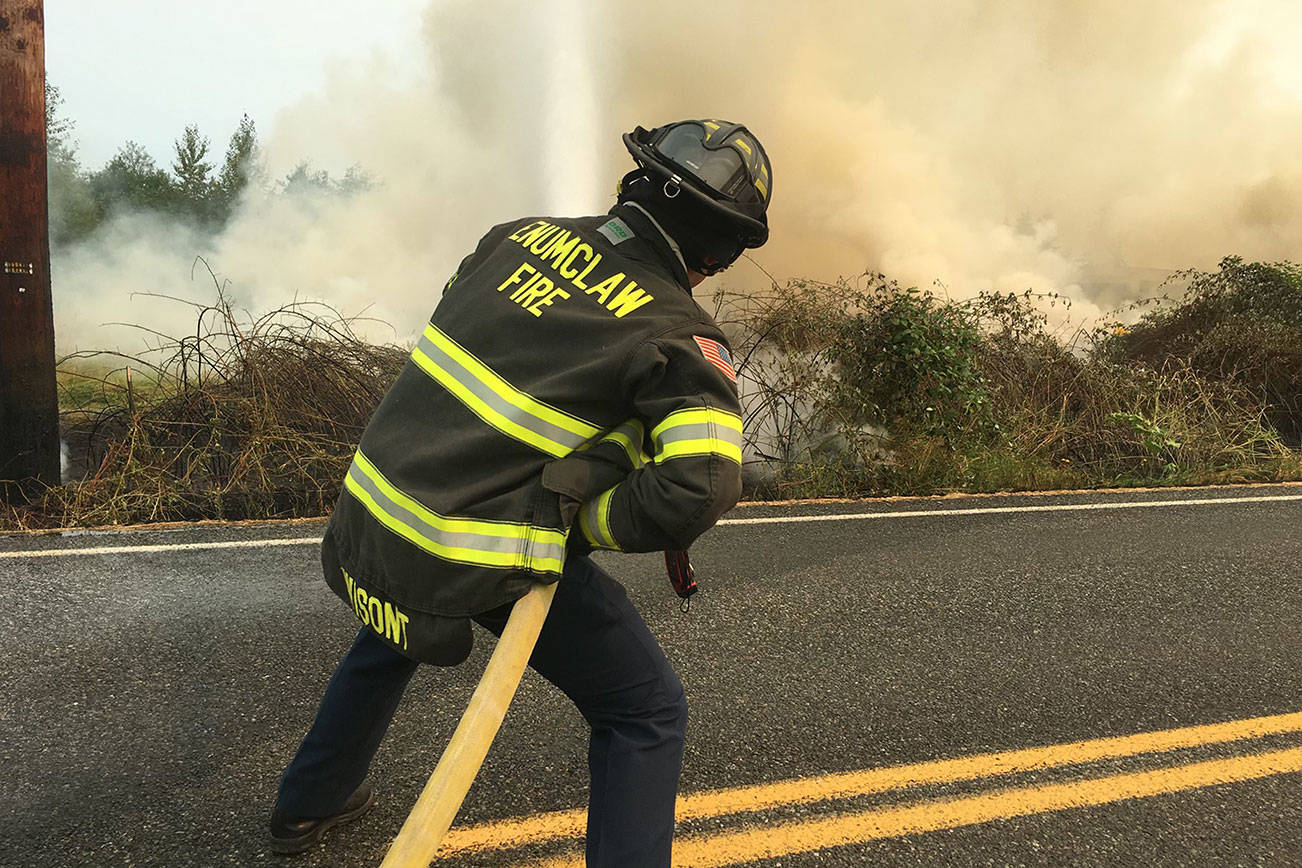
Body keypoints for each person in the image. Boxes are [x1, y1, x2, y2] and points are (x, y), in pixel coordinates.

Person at [268, 118, 773, 867]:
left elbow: (486, 348)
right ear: (717, 249)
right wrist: (584, 521)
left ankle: (306, 805)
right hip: (475, 541)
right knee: (644, 709)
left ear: (633, 182)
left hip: (379, 508)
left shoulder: (511, 237)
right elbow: (699, 487)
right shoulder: (677, 332)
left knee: (398, 620)